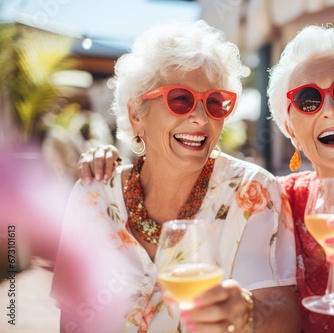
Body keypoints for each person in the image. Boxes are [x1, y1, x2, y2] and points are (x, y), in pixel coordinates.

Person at [77, 25, 334, 332]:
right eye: (309, 100)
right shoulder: (282, 198)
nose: (330, 109)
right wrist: (117, 159)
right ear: (290, 128)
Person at [51, 20, 300, 333]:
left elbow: (284, 314)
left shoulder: (252, 192)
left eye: (213, 103)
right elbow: (73, 319)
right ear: (136, 114)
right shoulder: (93, 195)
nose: (200, 117)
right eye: (180, 99)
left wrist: (248, 312)